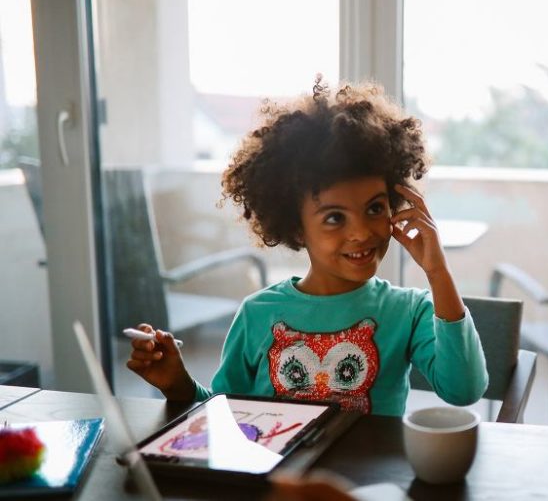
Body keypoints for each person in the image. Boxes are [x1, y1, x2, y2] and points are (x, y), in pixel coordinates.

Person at [126, 77, 488, 416]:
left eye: (375, 208)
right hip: (278, 481)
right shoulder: (258, 314)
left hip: (367, 484)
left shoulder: (410, 311)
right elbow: (225, 416)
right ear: (297, 228)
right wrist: (178, 386)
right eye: (335, 218)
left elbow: (464, 390)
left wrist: (437, 272)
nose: (361, 232)